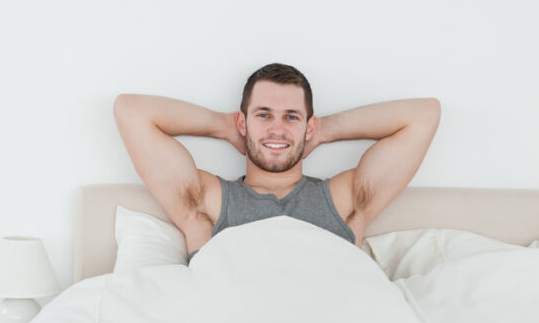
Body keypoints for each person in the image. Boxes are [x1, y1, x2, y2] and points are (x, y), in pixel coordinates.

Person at [113, 63, 441, 261]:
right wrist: (222, 125)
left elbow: (424, 115)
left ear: (307, 126)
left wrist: (324, 130)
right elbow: (131, 111)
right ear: (244, 123)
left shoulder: (342, 201)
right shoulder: (207, 202)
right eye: (264, 115)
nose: (277, 128)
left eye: (292, 117)